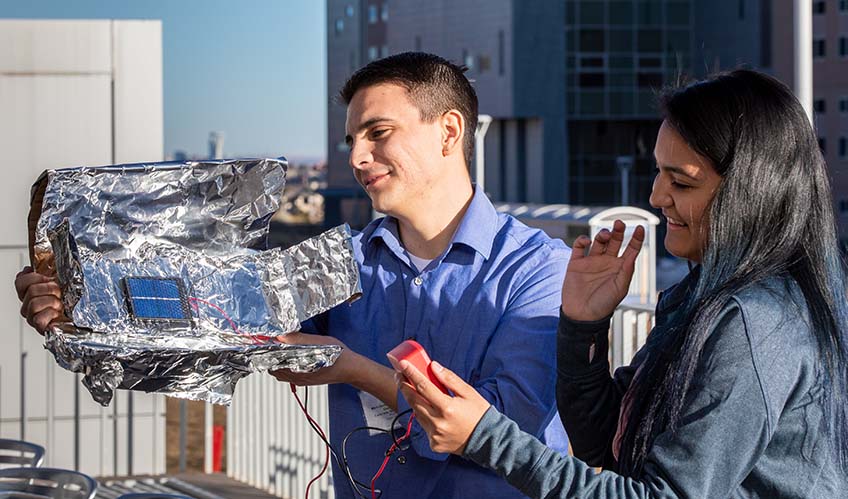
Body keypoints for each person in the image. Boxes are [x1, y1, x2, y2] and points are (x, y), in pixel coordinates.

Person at [16, 52, 572, 499]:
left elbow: (509, 425)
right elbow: (213, 328)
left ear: (449, 133)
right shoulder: (346, 261)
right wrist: (78, 308)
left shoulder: (536, 268)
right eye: (352, 139)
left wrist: (356, 370)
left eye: (378, 132)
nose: (358, 156)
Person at [395, 69, 848, 498]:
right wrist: (583, 325)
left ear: (751, 190)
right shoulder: (708, 299)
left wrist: (485, 436)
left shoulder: (756, 321)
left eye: (682, 183)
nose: (656, 197)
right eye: (657, 171)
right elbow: (607, 447)